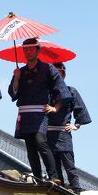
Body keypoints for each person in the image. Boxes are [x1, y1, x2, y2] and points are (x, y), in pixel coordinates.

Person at [8, 38, 71, 183]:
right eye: (26, 50)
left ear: (38, 50)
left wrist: (56, 107)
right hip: (24, 113)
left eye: (31, 49)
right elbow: (13, 94)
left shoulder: (48, 69)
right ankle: (37, 177)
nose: (28, 52)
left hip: (40, 112)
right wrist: (16, 79)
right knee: (30, 147)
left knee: (40, 141)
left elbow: (61, 89)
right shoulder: (20, 71)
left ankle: (53, 176)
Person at [47, 63, 91, 193]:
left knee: (69, 164)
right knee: (53, 165)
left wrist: (76, 125)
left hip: (63, 132)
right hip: (48, 132)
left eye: (59, 72)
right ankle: (59, 189)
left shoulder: (71, 91)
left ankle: (76, 189)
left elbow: (80, 110)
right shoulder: (46, 92)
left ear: (64, 75)